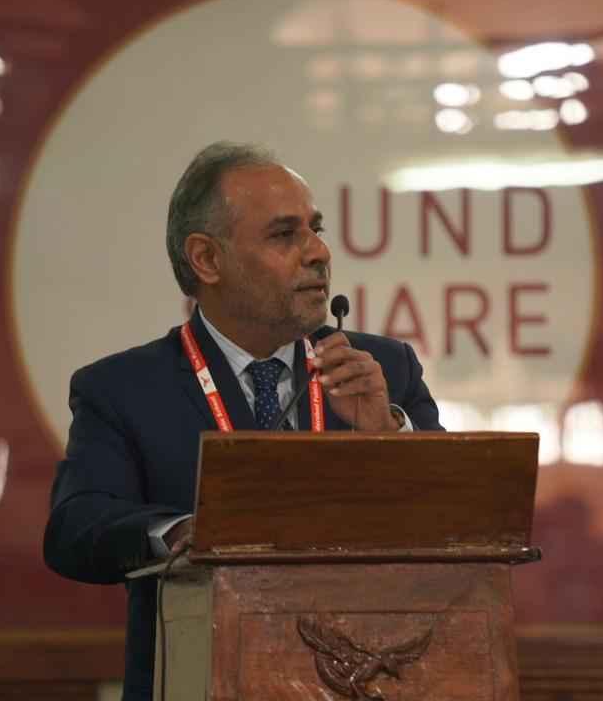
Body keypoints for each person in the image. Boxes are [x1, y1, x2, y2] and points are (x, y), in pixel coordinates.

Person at [42, 142, 442, 700]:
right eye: (284, 235)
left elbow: (460, 523)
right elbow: (74, 529)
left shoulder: (385, 370)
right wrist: (182, 533)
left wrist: (388, 437)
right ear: (207, 259)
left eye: (316, 229)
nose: (319, 252)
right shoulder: (122, 389)